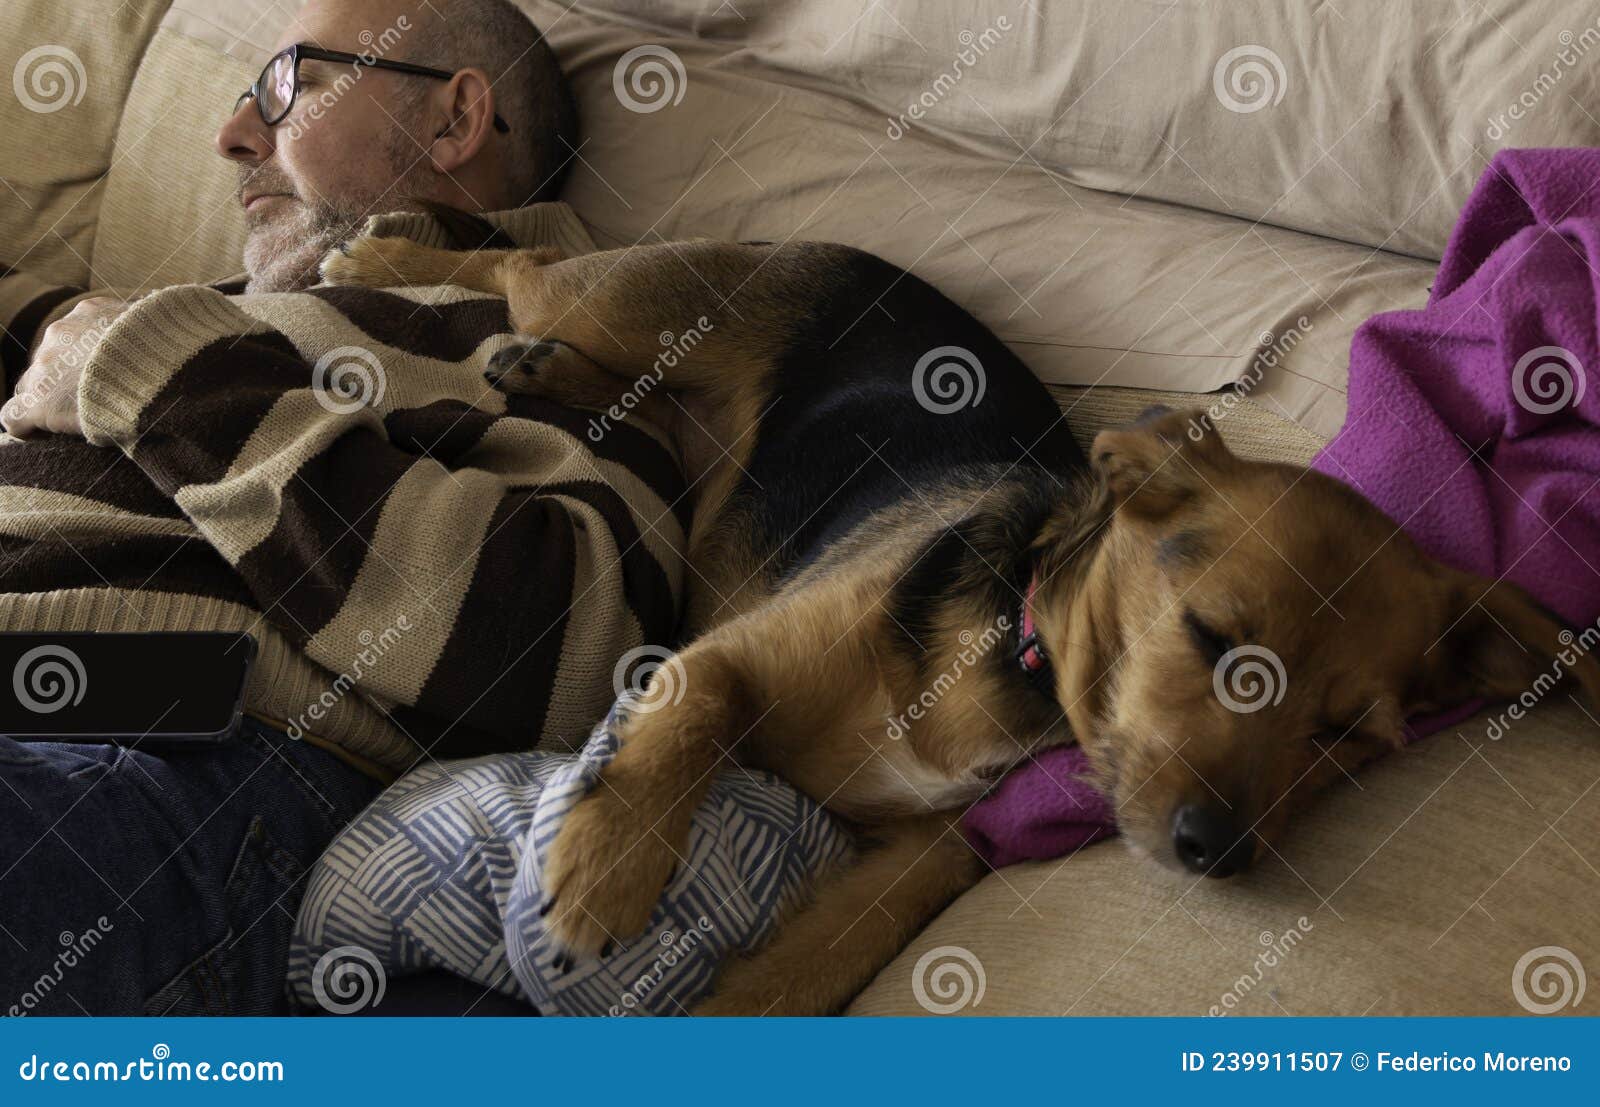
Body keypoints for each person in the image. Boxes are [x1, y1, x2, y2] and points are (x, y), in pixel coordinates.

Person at [0, 0, 684, 1015]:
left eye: (289, 86)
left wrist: (152, 369)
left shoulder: (557, 339)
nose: (232, 136)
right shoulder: (220, 309)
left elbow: (567, 655)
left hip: (171, 756)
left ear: (455, 121)